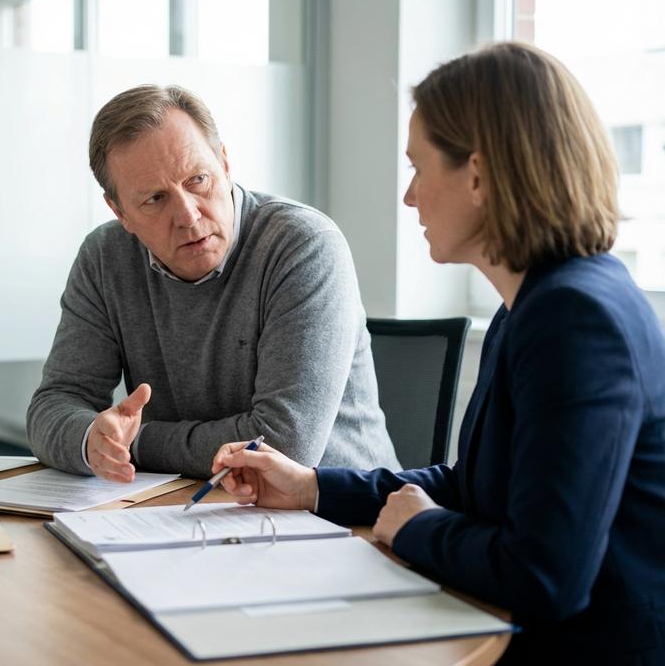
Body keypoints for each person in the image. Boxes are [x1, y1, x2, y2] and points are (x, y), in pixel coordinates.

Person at [211, 42, 665, 663]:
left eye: (417, 169)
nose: (410, 198)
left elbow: (548, 575)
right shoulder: (534, 303)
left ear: (476, 176)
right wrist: (311, 488)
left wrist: (420, 528)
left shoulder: (575, 320)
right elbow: (474, 488)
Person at [27, 85, 399, 481]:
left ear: (224, 162)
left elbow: (284, 445)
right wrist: (92, 441)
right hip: (186, 506)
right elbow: (55, 403)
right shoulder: (106, 257)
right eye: (155, 199)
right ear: (120, 212)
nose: (187, 215)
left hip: (341, 516)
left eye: (197, 180)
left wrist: (136, 443)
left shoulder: (303, 244)